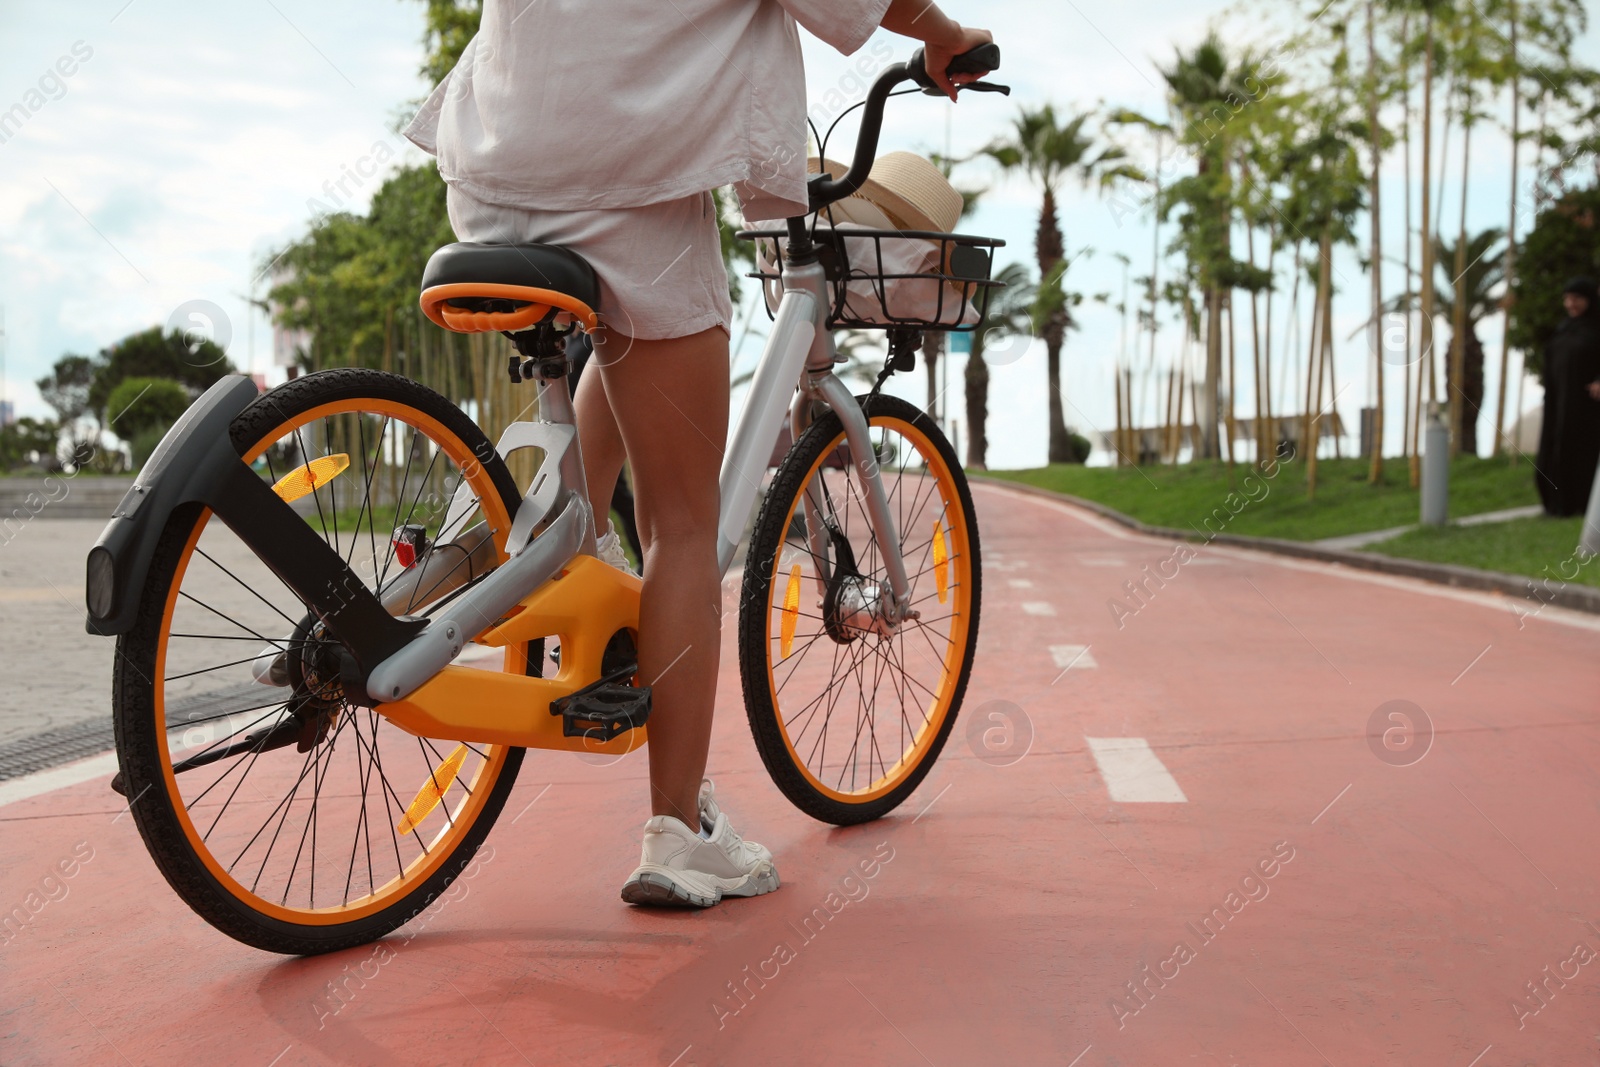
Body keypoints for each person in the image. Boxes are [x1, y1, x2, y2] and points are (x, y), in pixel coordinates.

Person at [405, 0, 993, 907]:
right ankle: (676, 833)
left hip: (487, 166)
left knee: (618, 355)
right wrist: (946, 39)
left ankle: (538, 541)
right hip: (623, 177)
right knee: (684, 525)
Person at [1535, 276, 1600, 517]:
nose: (1571, 304)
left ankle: (1583, 504)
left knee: (1582, 452)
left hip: (1586, 408)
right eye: (1567, 299)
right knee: (1554, 447)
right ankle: (1556, 504)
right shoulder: (1564, 329)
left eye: (1577, 299)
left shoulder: (1596, 327)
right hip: (1558, 402)